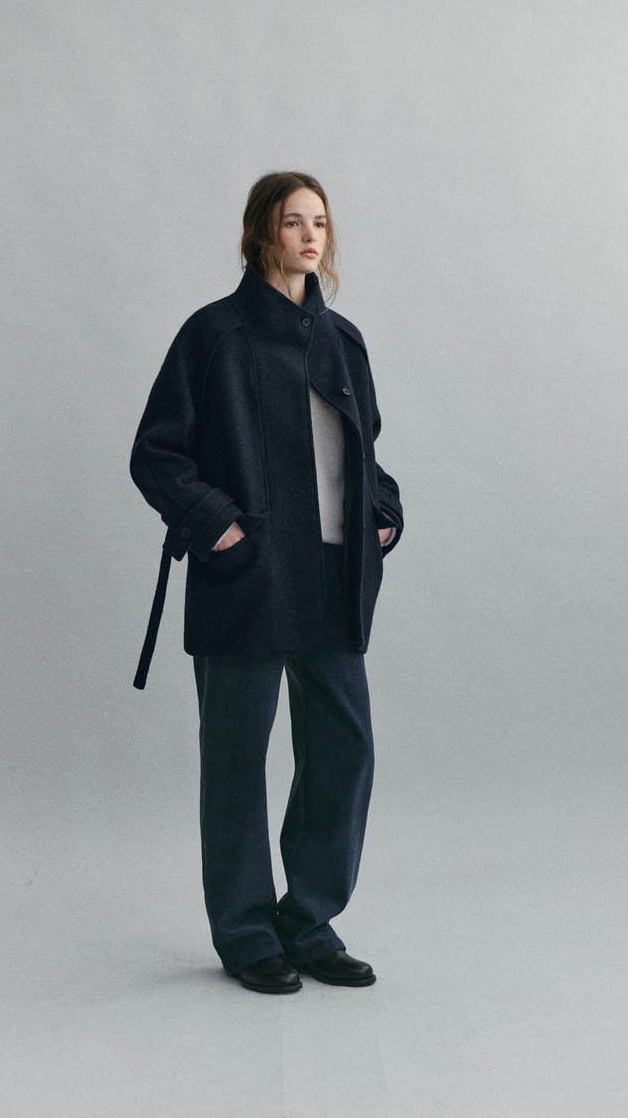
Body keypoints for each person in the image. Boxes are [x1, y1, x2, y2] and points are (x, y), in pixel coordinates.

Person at [130, 171, 402, 994]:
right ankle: (247, 933)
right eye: (293, 221)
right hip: (247, 577)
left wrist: (384, 512)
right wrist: (218, 524)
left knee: (344, 749)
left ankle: (307, 921)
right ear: (260, 234)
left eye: (320, 221)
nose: (311, 235)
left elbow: (364, 451)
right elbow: (156, 453)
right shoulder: (213, 334)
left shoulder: (344, 339)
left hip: (330, 576)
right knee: (237, 760)